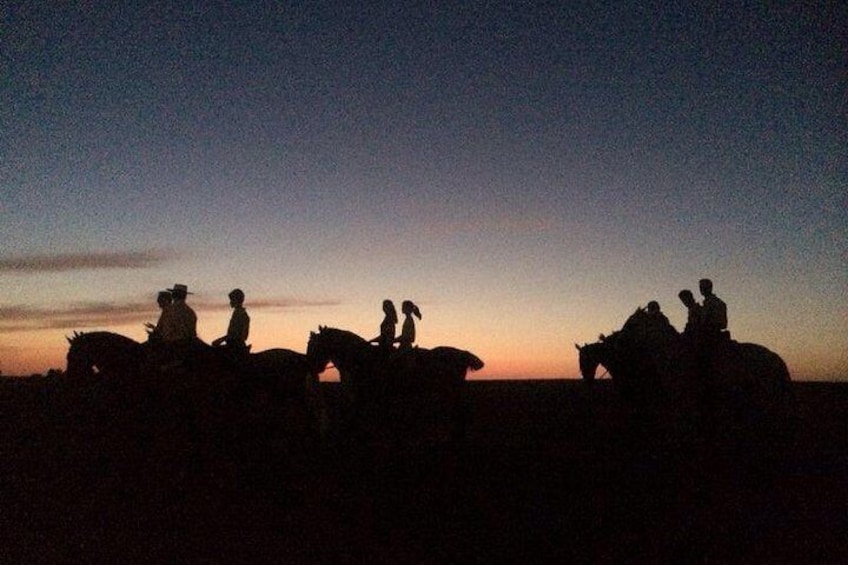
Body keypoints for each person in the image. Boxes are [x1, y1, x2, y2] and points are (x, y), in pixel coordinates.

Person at [212, 288, 250, 357]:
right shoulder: (239, 313)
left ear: (236, 300)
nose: (230, 302)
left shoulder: (240, 314)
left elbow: (238, 335)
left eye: (232, 300)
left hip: (235, 347)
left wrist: (221, 339)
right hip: (235, 345)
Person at [699, 278, 728, 343]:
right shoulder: (708, 303)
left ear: (709, 288)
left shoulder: (713, 302)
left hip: (711, 334)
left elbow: (705, 321)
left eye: (703, 287)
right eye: (701, 287)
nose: (701, 289)